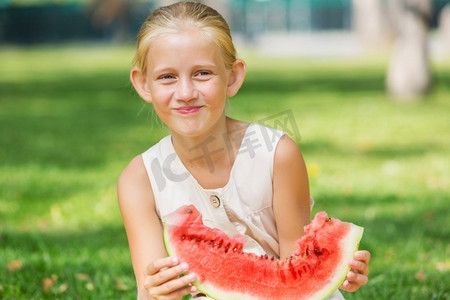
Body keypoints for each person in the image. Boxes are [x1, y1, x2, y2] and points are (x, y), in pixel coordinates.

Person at [118, 2, 371, 299]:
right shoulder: (139, 179)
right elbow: (149, 289)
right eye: (167, 77)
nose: (185, 93)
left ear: (234, 77)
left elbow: (298, 270)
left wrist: (334, 269)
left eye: (202, 73)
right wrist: (158, 291)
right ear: (143, 84)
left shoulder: (277, 154)